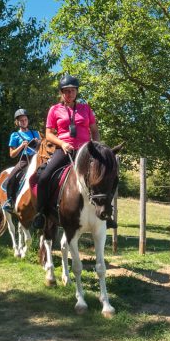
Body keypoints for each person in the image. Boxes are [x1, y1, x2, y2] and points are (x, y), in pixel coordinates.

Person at [32, 74, 103, 229]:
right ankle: (42, 213)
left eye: (72, 90)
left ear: (76, 92)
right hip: (64, 151)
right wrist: (62, 144)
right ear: (61, 93)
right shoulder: (54, 110)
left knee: (105, 173)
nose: (69, 94)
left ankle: (106, 213)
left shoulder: (86, 108)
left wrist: (95, 146)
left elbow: (94, 131)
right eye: (66, 91)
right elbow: (49, 134)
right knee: (44, 176)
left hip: (85, 151)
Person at [2, 109, 41, 213]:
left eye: (25, 119)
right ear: (17, 122)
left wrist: (39, 143)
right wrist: (21, 146)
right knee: (11, 177)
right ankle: (10, 201)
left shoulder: (35, 133)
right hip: (25, 160)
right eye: (21, 120)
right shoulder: (14, 135)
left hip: (37, 158)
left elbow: (42, 148)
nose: (24, 122)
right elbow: (12, 154)